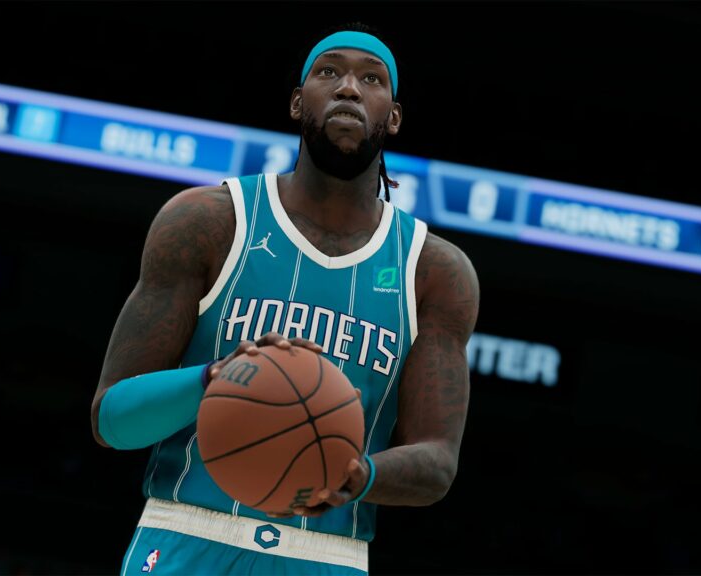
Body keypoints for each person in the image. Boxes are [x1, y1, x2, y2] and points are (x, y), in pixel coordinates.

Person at [90, 24, 479, 576]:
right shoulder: (208, 221)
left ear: (393, 116)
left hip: (326, 556)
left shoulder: (435, 271)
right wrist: (214, 379)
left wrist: (357, 475)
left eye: (371, 79)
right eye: (329, 72)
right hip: (185, 535)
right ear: (298, 102)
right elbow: (110, 420)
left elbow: (438, 462)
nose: (349, 88)